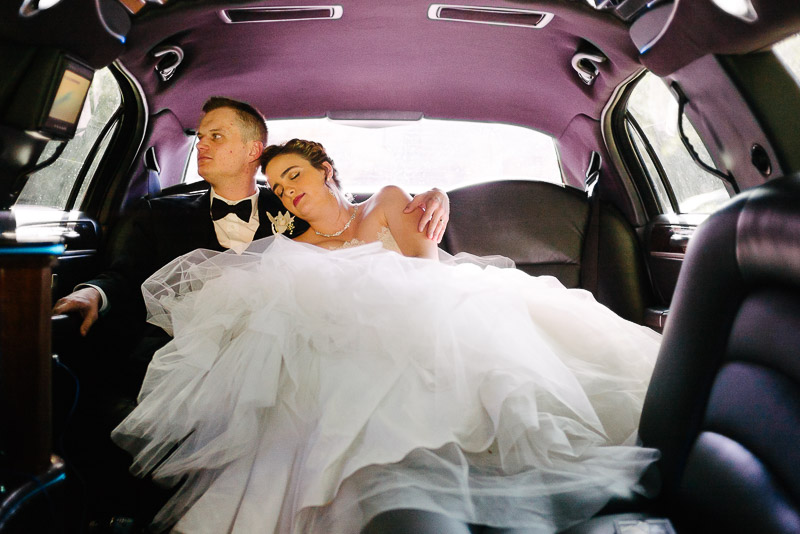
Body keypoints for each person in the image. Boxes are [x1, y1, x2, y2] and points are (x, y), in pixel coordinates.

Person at [111, 140, 661, 534]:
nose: (287, 191)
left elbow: (425, 273)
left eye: (295, 175)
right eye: (277, 185)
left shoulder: (387, 202)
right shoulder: (291, 247)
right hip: (336, 351)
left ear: (326, 169)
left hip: (431, 319)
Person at [52, 97, 450, 393]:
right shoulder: (157, 213)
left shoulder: (299, 210)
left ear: (251, 151)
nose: (203, 145)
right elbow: (124, 276)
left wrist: (435, 195)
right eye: (201, 136)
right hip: (188, 345)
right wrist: (92, 292)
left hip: (290, 352)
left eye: (216, 136)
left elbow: (365, 223)